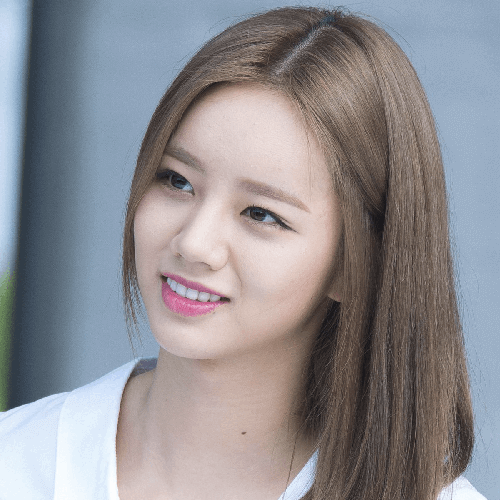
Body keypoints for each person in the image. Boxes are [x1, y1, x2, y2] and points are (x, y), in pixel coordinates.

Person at [0, 6, 487, 500]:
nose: (194, 243)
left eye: (261, 214)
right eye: (177, 181)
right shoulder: (16, 463)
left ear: (354, 267)